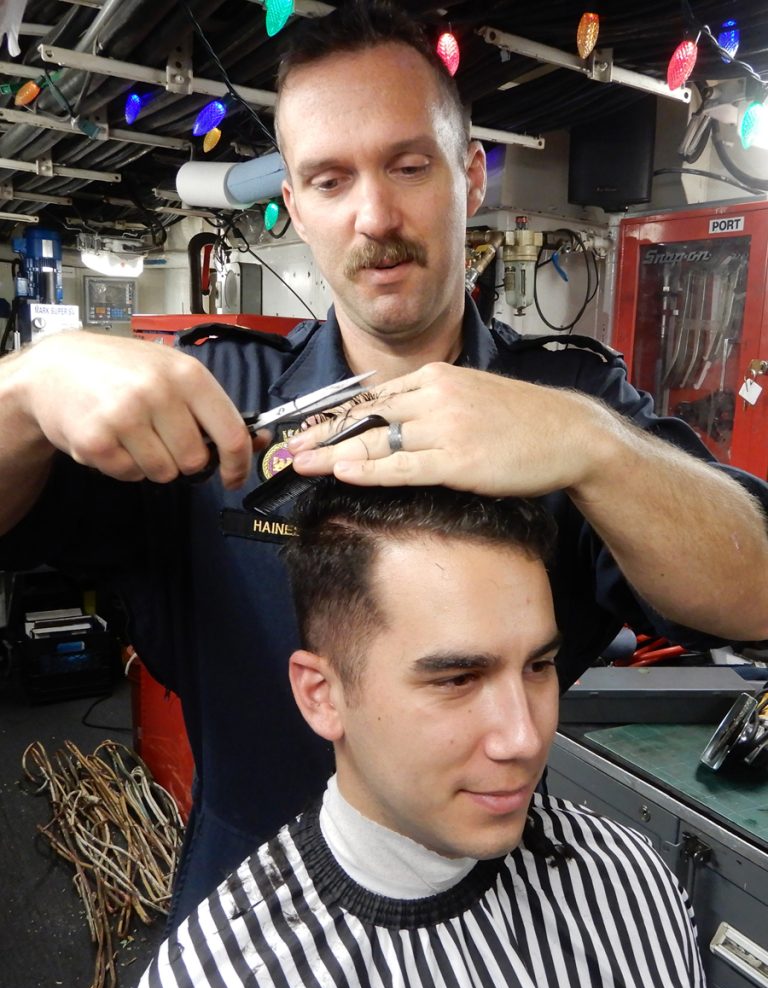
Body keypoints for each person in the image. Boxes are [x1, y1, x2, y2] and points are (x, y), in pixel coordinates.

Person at [0, 0, 766, 927]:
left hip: (505, 926)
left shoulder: (575, 403)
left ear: (471, 177)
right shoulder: (212, 407)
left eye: (409, 165)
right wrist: (28, 387)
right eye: (329, 180)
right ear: (293, 199)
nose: (375, 216)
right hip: (258, 925)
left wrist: (593, 448)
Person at [117, 482, 711, 988]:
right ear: (322, 696)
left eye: (538, 666)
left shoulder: (635, 881)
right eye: (456, 679)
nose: (525, 738)